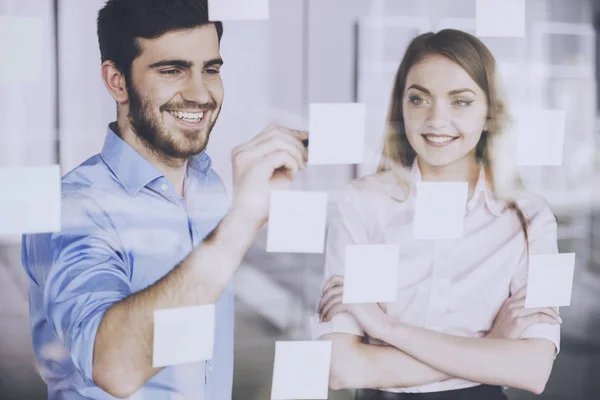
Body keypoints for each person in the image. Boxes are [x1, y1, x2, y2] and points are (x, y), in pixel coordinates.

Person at [21, 0, 307, 398]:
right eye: (172, 70)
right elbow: (114, 367)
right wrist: (242, 221)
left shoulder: (207, 185)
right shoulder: (73, 208)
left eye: (210, 69)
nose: (200, 93)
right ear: (117, 81)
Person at [312, 29, 561, 400]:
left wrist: (384, 327)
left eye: (460, 102)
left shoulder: (533, 218)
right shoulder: (362, 204)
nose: (436, 119)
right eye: (419, 99)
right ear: (401, 106)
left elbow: (533, 370)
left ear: (489, 111)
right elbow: (345, 368)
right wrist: (490, 349)